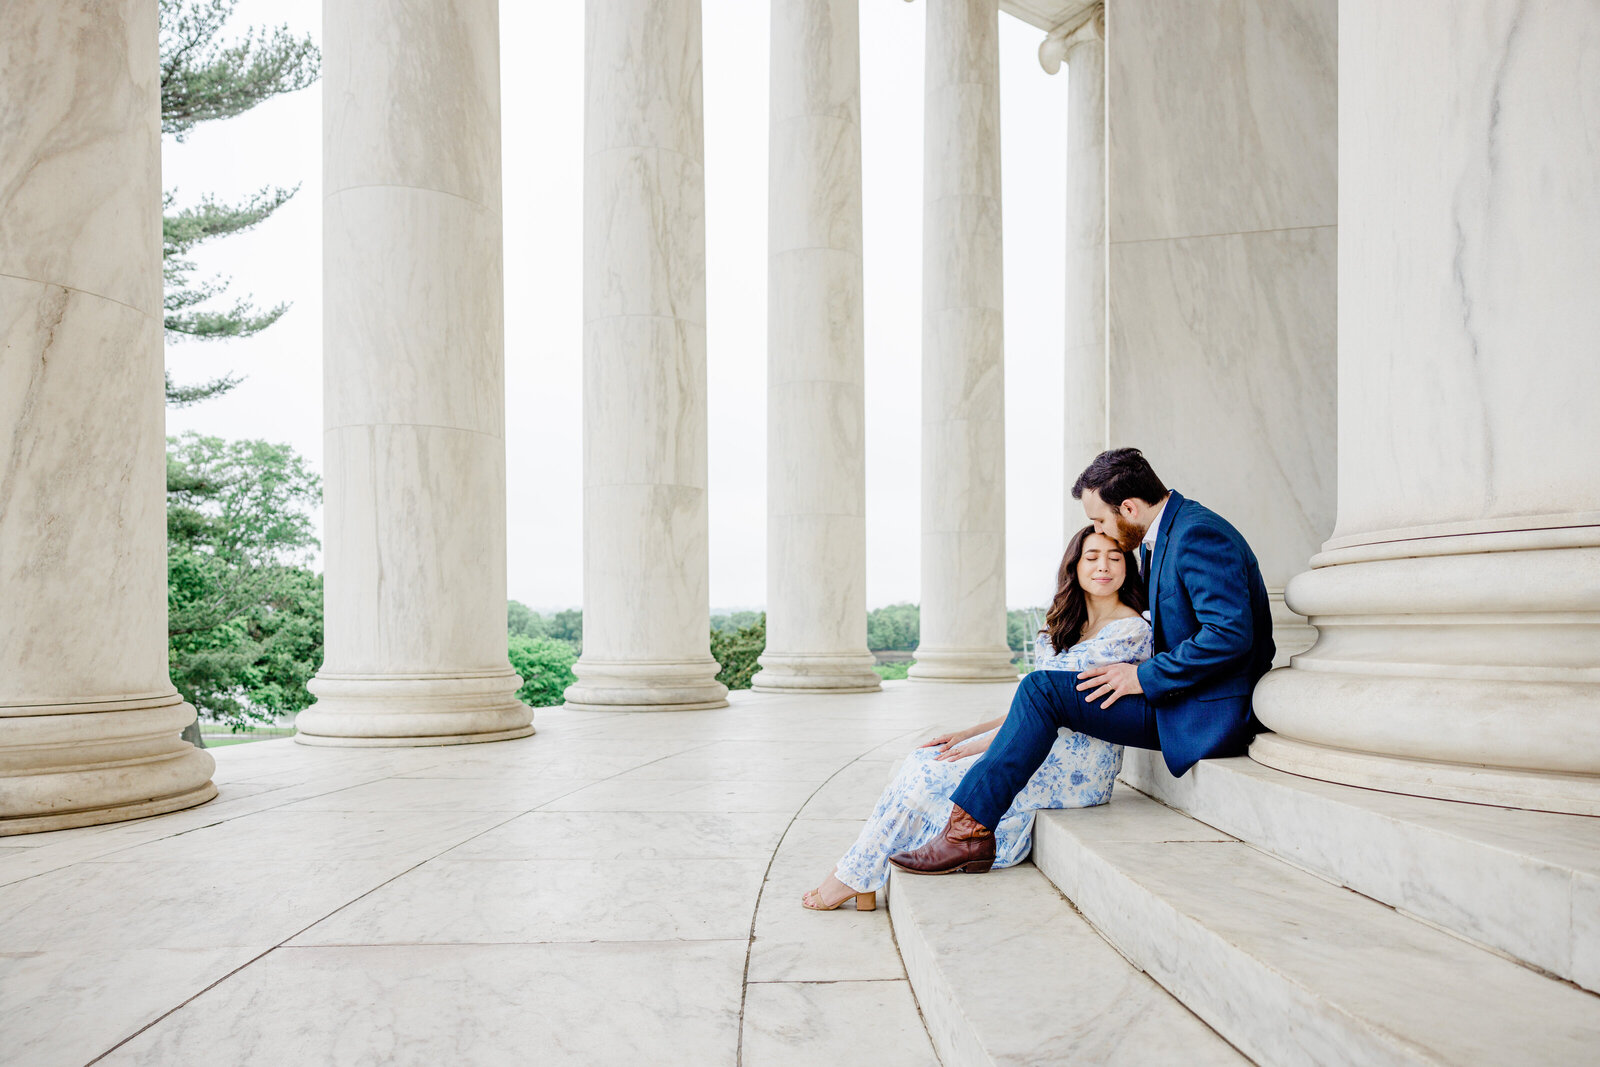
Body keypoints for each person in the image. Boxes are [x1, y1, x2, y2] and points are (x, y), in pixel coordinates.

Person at [889, 447, 1275, 877]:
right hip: (1179, 698)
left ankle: (968, 833)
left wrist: (1143, 676)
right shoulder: (1162, 537)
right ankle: (968, 832)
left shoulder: (1198, 534)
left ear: (1129, 507)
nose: (1100, 530)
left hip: (1207, 712)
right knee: (1042, 688)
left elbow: (1229, 634)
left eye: (1100, 520)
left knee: (1041, 689)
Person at [801, 525, 1152, 911]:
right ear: (1075, 566)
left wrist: (981, 745)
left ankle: (851, 877)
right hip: (1033, 747)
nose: (1104, 566)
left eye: (1114, 558)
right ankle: (859, 873)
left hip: (1077, 763)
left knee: (934, 773)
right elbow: (1029, 705)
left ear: (1127, 568)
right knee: (922, 760)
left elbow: (1060, 706)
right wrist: (969, 734)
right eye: (1093, 557)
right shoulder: (1069, 626)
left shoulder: (1131, 630)